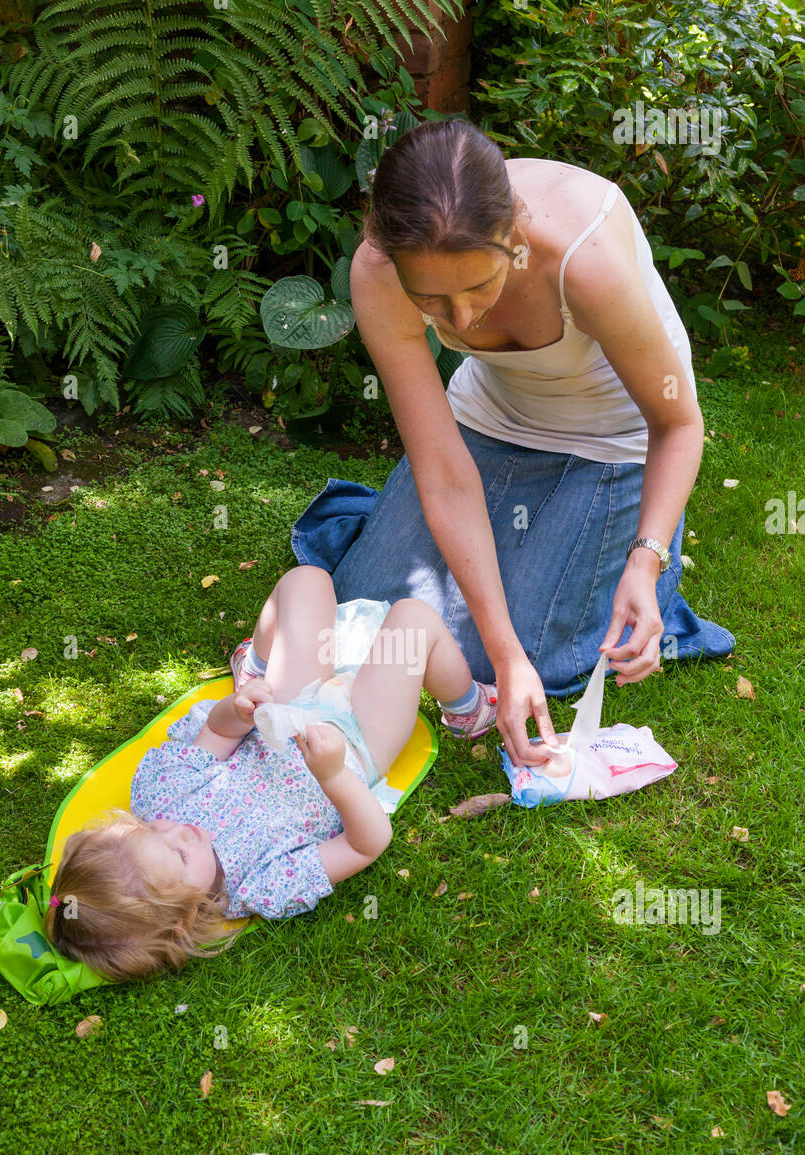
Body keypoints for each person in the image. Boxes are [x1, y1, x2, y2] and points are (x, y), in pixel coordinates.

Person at [290, 119, 735, 771]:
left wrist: (645, 559)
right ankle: (524, 551)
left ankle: (641, 577)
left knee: (541, 656)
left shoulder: (581, 259)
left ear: (515, 231)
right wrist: (503, 657)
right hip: (493, 419)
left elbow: (678, 423)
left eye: (479, 287)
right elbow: (443, 472)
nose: (462, 319)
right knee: (369, 615)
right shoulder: (379, 272)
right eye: (434, 299)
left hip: (618, 442)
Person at [44, 566, 496, 982]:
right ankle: (466, 708)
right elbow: (366, 843)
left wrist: (240, 711)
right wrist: (334, 775)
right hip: (357, 742)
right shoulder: (263, 885)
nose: (182, 832)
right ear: (186, 917)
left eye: (152, 830)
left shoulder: (165, 799)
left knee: (305, 581)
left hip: (287, 706)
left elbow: (218, 734)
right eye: (178, 858)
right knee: (414, 620)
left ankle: (255, 667)